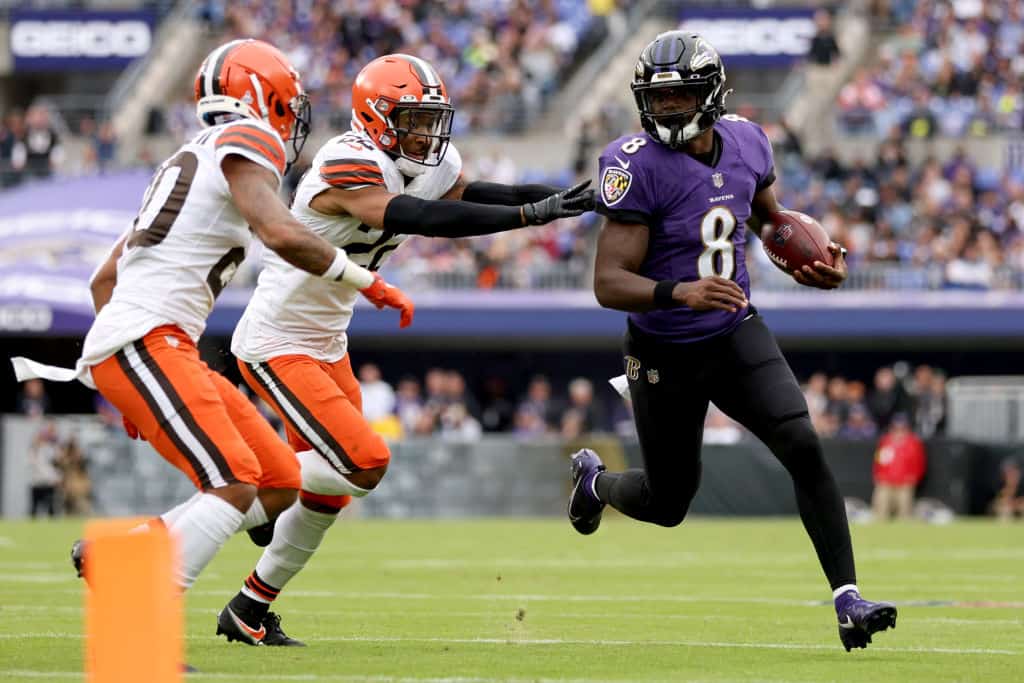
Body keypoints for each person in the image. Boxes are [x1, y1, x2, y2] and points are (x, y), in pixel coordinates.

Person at [11, 40, 413, 635]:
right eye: (285, 99)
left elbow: (104, 279)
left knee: (276, 477)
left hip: (154, 344)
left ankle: (124, 553)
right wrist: (365, 280)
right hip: (150, 340)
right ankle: (139, 622)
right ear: (257, 94)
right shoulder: (247, 138)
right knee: (233, 480)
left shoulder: (188, 155)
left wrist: (113, 373)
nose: (291, 116)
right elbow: (279, 232)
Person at [215, 53, 593, 646]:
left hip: (325, 340)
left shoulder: (423, 159)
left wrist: (565, 197)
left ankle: (249, 609)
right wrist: (526, 216)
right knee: (363, 461)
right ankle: (255, 498)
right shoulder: (348, 162)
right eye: (413, 119)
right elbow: (423, 216)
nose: (427, 133)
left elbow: (478, 191)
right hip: (276, 340)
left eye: (430, 118)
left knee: (329, 493)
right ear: (375, 118)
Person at [567, 31, 896, 652]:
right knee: (669, 502)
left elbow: (770, 218)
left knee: (801, 441)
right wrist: (678, 291)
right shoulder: (633, 164)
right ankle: (595, 483)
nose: (667, 110)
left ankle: (848, 598)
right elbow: (608, 283)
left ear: (711, 94)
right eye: (657, 99)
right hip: (662, 346)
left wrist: (815, 255)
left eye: (680, 96)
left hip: (734, 329)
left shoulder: (747, 141)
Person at [871, 413, 926, 520]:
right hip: (887, 480)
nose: (899, 431)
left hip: (905, 481)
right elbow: (879, 461)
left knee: (905, 509)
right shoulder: (885, 441)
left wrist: (914, 477)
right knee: (881, 504)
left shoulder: (913, 442)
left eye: (902, 428)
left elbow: (919, 463)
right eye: (896, 428)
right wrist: (878, 475)